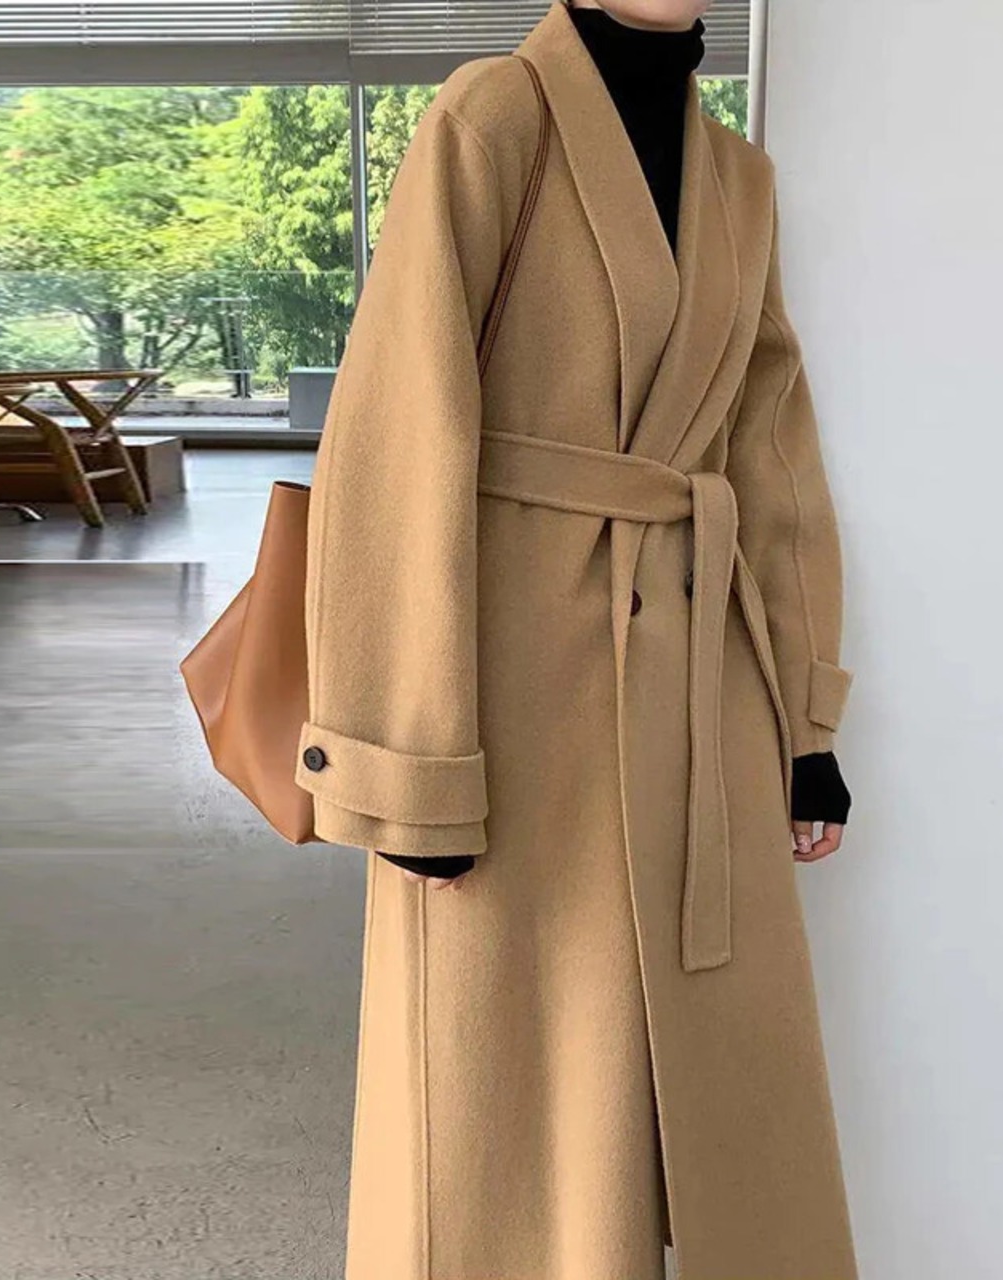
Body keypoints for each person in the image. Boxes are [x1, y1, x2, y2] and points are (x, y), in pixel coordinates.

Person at [293, 1, 860, 1275]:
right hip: (511, 678)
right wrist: (406, 757)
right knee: (518, 1081)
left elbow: (769, 452)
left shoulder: (737, 176)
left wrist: (804, 723)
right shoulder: (492, 116)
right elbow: (397, 430)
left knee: (715, 1086)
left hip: (702, 683)